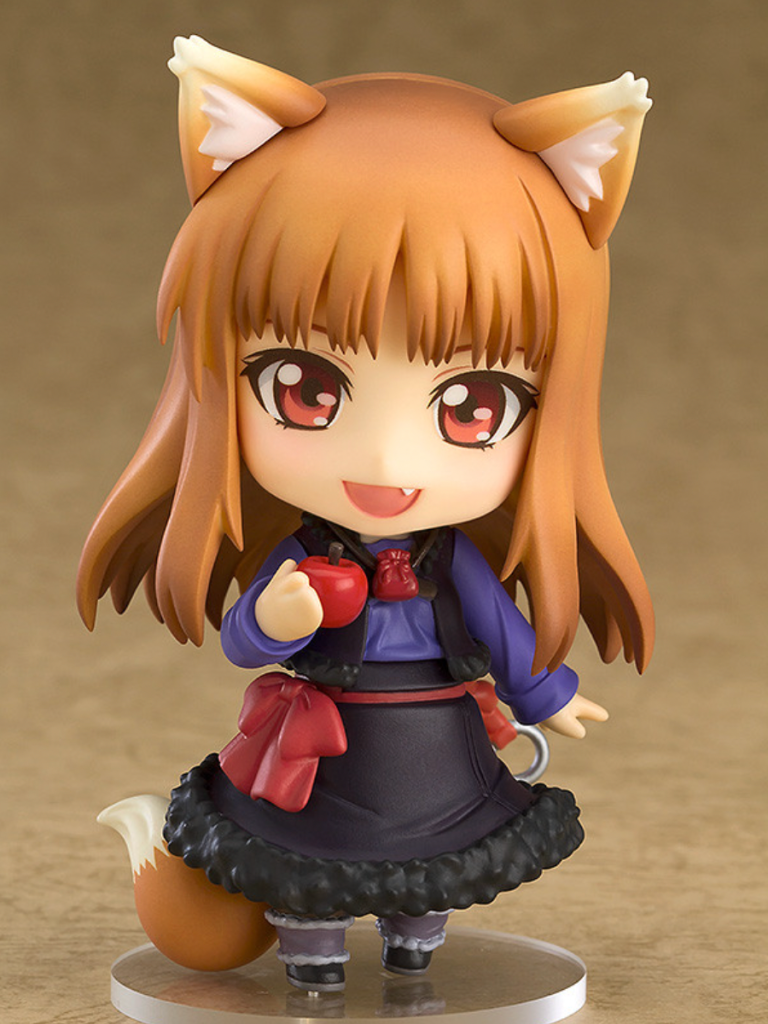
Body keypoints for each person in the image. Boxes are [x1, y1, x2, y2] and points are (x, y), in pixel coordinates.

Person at [78, 36, 654, 992]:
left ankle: (414, 947)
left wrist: (547, 693)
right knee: (307, 869)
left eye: (471, 407)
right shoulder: (303, 552)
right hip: (325, 748)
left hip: (433, 744)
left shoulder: (451, 561)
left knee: (432, 867)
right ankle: (313, 960)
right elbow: (243, 640)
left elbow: (502, 631)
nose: (387, 462)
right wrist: (277, 617)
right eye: (304, 389)